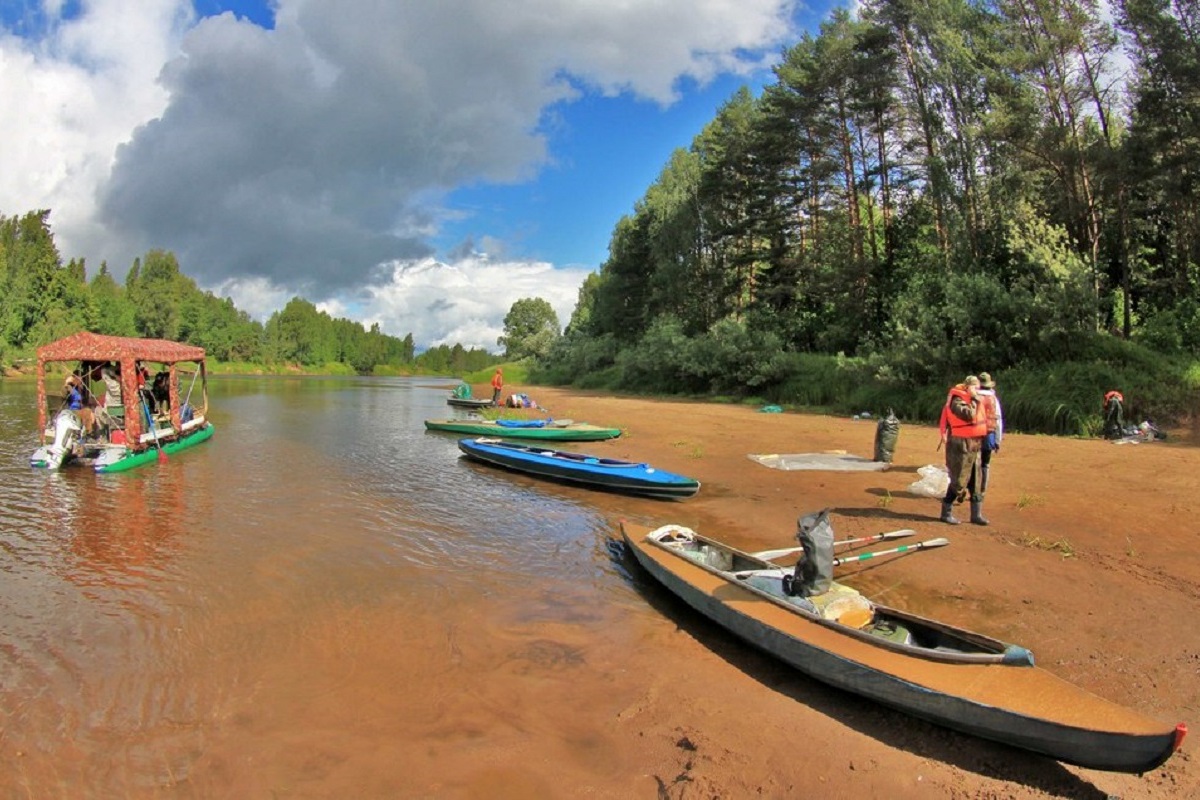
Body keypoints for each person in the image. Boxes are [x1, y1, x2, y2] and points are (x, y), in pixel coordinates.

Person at [937, 375, 988, 525]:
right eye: (975, 387)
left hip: (974, 444)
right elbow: (968, 415)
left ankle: (976, 515)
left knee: (975, 480)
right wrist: (973, 399)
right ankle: (945, 513)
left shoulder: (974, 399)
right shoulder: (956, 401)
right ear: (967, 387)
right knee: (959, 479)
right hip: (960, 445)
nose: (977, 391)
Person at [977, 372, 1003, 493]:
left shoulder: (972, 396)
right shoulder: (993, 399)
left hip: (973, 434)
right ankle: (982, 490)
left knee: (972, 463)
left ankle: (970, 489)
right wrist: (997, 441)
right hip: (989, 433)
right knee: (985, 463)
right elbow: (997, 420)